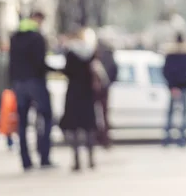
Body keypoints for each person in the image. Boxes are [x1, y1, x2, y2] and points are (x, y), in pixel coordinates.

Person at [9, 11, 55, 171]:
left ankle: (25, 160)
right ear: (38, 20)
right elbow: (40, 63)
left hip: (18, 84)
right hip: (36, 82)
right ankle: (44, 157)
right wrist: (55, 70)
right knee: (46, 118)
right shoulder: (37, 38)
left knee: (22, 122)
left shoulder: (14, 37)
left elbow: (11, 62)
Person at [60, 28, 100, 171]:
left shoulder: (70, 53)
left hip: (74, 93)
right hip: (87, 93)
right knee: (89, 126)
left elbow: (67, 71)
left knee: (74, 128)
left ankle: (76, 160)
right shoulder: (91, 52)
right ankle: (91, 159)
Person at [162, 32, 186, 147]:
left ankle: (166, 138)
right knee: (184, 114)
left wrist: (173, 86)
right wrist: (179, 86)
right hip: (183, 87)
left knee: (170, 113)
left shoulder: (170, 54)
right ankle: (182, 138)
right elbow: (185, 73)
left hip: (173, 87)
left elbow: (166, 71)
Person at [95, 39, 118, 148]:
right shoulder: (109, 55)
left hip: (96, 89)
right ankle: (104, 138)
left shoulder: (96, 54)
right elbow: (115, 70)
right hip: (104, 88)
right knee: (104, 114)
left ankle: (100, 137)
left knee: (97, 114)